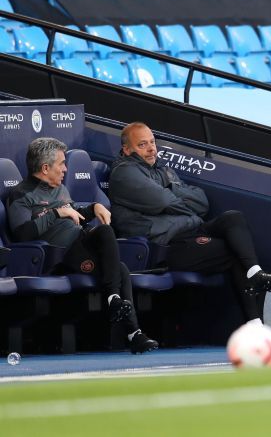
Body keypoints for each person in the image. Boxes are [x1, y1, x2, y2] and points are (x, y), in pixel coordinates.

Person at [107, 122, 271, 322]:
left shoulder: (163, 171)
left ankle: (255, 273)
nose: (151, 149)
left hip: (191, 229)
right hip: (164, 245)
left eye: (152, 142)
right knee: (233, 250)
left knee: (233, 218)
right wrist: (175, 196)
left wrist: (171, 193)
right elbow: (162, 201)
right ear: (127, 149)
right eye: (142, 145)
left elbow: (202, 202)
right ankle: (255, 325)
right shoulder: (124, 173)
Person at [6, 138, 158, 354]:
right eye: (61, 164)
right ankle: (134, 333)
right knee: (121, 270)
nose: (66, 169)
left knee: (105, 231)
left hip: (81, 243)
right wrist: (57, 213)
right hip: (58, 256)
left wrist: (94, 207)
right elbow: (22, 234)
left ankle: (119, 307)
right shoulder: (21, 195)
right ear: (45, 168)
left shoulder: (60, 189)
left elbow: (75, 212)